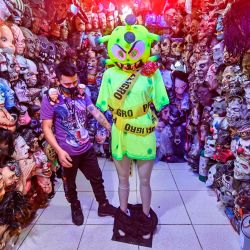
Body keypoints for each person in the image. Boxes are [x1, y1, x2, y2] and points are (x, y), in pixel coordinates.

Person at [96, 15, 169, 238]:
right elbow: (102, 104)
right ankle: (123, 210)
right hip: (120, 131)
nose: (127, 54)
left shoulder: (152, 72)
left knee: (145, 180)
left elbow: (160, 102)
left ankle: (146, 213)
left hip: (144, 130)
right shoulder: (109, 74)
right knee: (122, 179)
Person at [41, 60, 116, 226]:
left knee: (97, 178)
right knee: (70, 184)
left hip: (86, 147)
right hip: (67, 152)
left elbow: (94, 112)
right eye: (68, 83)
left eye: (75, 81)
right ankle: (75, 207)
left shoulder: (82, 92)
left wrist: (110, 129)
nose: (72, 85)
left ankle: (103, 205)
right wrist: (59, 151)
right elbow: (46, 128)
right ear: (58, 81)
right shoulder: (51, 99)